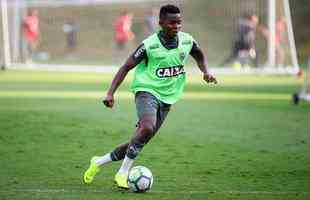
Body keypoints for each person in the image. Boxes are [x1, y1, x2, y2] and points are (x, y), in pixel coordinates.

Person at [83, 4, 217, 189]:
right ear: (161, 23)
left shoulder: (187, 41)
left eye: (179, 22)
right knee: (146, 128)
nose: (176, 26)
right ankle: (122, 173)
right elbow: (126, 67)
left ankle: (98, 162)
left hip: (168, 97)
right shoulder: (149, 45)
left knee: (140, 138)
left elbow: (199, 55)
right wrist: (110, 93)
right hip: (146, 90)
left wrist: (206, 72)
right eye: (171, 23)